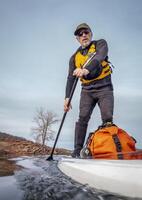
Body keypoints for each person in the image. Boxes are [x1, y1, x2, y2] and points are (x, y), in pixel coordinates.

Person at [64, 23, 114, 158]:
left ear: (91, 34)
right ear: (77, 39)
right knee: (82, 118)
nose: (83, 35)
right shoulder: (73, 58)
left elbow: (99, 57)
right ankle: (77, 151)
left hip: (104, 87)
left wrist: (85, 69)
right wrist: (67, 98)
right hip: (87, 91)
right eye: (80, 34)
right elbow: (70, 78)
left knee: (107, 119)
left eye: (86, 32)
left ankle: (108, 150)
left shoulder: (100, 44)